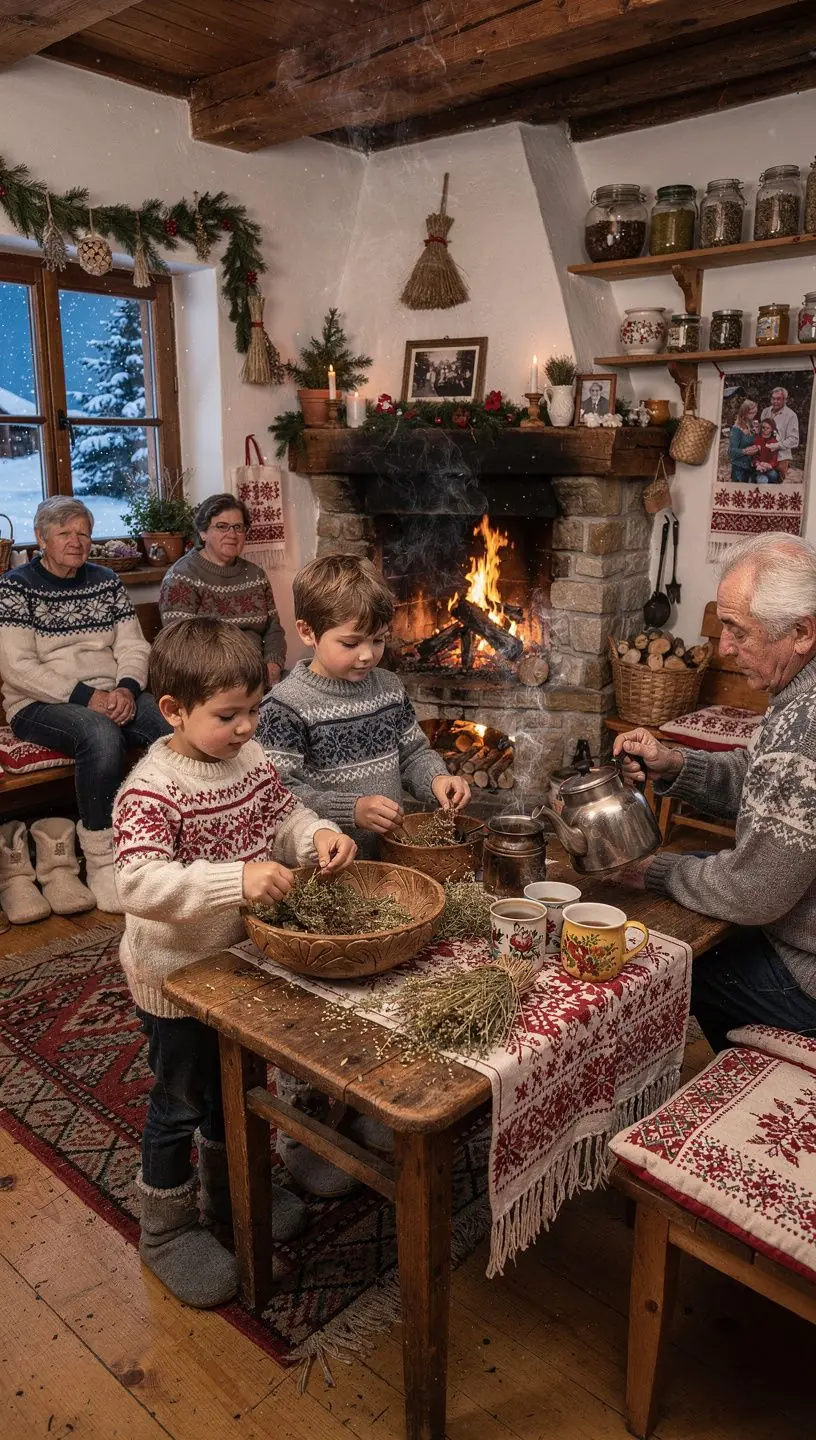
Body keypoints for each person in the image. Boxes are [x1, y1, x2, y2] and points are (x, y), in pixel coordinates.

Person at [112, 617, 357, 1308]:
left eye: (254, 709)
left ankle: (232, 1192)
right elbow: (136, 885)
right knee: (182, 1102)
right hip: (177, 981)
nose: (248, 728)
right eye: (228, 716)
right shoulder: (152, 788)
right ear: (174, 711)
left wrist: (320, 835)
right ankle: (165, 1230)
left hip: (240, 968)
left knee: (240, 1081)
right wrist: (236, 878)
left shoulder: (248, 761)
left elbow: (285, 815)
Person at [612, 532, 816, 1055]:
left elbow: (754, 892)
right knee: (698, 873)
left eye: (737, 632)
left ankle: (759, 1078)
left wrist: (652, 871)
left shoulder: (804, 730)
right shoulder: (800, 690)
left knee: (669, 960)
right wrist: (674, 762)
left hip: (807, 980)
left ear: (801, 632)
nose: (723, 648)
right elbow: (761, 777)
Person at [0, 497, 167, 911]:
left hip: (113, 694)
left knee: (170, 726)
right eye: (64, 533)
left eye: (83, 533)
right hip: (39, 703)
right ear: (40, 539)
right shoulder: (15, 587)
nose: (76, 542)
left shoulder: (106, 580)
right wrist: (88, 697)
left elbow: (133, 645)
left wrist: (127, 689)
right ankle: (102, 861)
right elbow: (18, 668)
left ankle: (160, 839)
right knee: (100, 735)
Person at [256, 554, 470, 859]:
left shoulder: (389, 688)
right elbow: (278, 795)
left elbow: (413, 755)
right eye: (350, 643)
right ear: (307, 632)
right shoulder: (284, 707)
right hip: (326, 868)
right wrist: (351, 810)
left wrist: (436, 778)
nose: (367, 655)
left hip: (388, 856)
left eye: (378, 640)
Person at [159, 493, 286, 688]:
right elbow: (183, 647)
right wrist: (238, 678)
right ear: (203, 533)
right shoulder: (181, 576)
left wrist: (273, 666)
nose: (232, 534)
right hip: (211, 679)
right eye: (222, 526)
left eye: (238, 527)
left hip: (260, 673)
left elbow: (273, 630)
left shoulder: (256, 574)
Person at [761, 387, 799, 480]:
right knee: (761, 482)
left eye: (778, 399)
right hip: (763, 456)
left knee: (776, 486)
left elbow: (794, 440)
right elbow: (762, 431)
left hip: (780, 459)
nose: (775, 401)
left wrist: (777, 445)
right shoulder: (765, 411)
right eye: (773, 398)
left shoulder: (791, 415)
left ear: (785, 400)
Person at [727, 399, 759, 481]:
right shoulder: (736, 429)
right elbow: (731, 451)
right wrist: (745, 451)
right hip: (739, 468)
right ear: (744, 413)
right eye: (751, 413)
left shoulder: (751, 425)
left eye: (755, 412)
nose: (753, 415)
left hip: (750, 466)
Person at [754, 416, 781, 483]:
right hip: (758, 467)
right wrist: (757, 464)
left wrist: (768, 465)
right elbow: (753, 456)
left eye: (767, 428)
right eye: (763, 428)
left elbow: (775, 459)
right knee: (762, 480)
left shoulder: (774, 442)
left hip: (769, 467)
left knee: (773, 475)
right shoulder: (757, 439)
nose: (764, 430)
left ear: (772, 429)